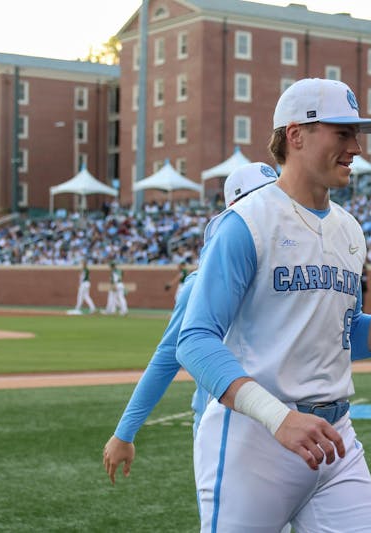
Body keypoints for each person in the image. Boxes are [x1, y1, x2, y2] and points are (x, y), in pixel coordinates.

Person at [176, 77, 371, 532]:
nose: (356, 148)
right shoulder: (245, 222)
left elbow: (347, 337)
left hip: (336, 438)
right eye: (343, 133)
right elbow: (194, 341)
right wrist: (278, 418)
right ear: (295, 135)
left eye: (357, 135)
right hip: (255, 439)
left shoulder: (350, 229)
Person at [102, 162, 280, 485]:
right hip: (222, 429)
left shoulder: (286, 276)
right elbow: (166, 360)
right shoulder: (201, 285)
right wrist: (124, 432)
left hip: (281, 425)